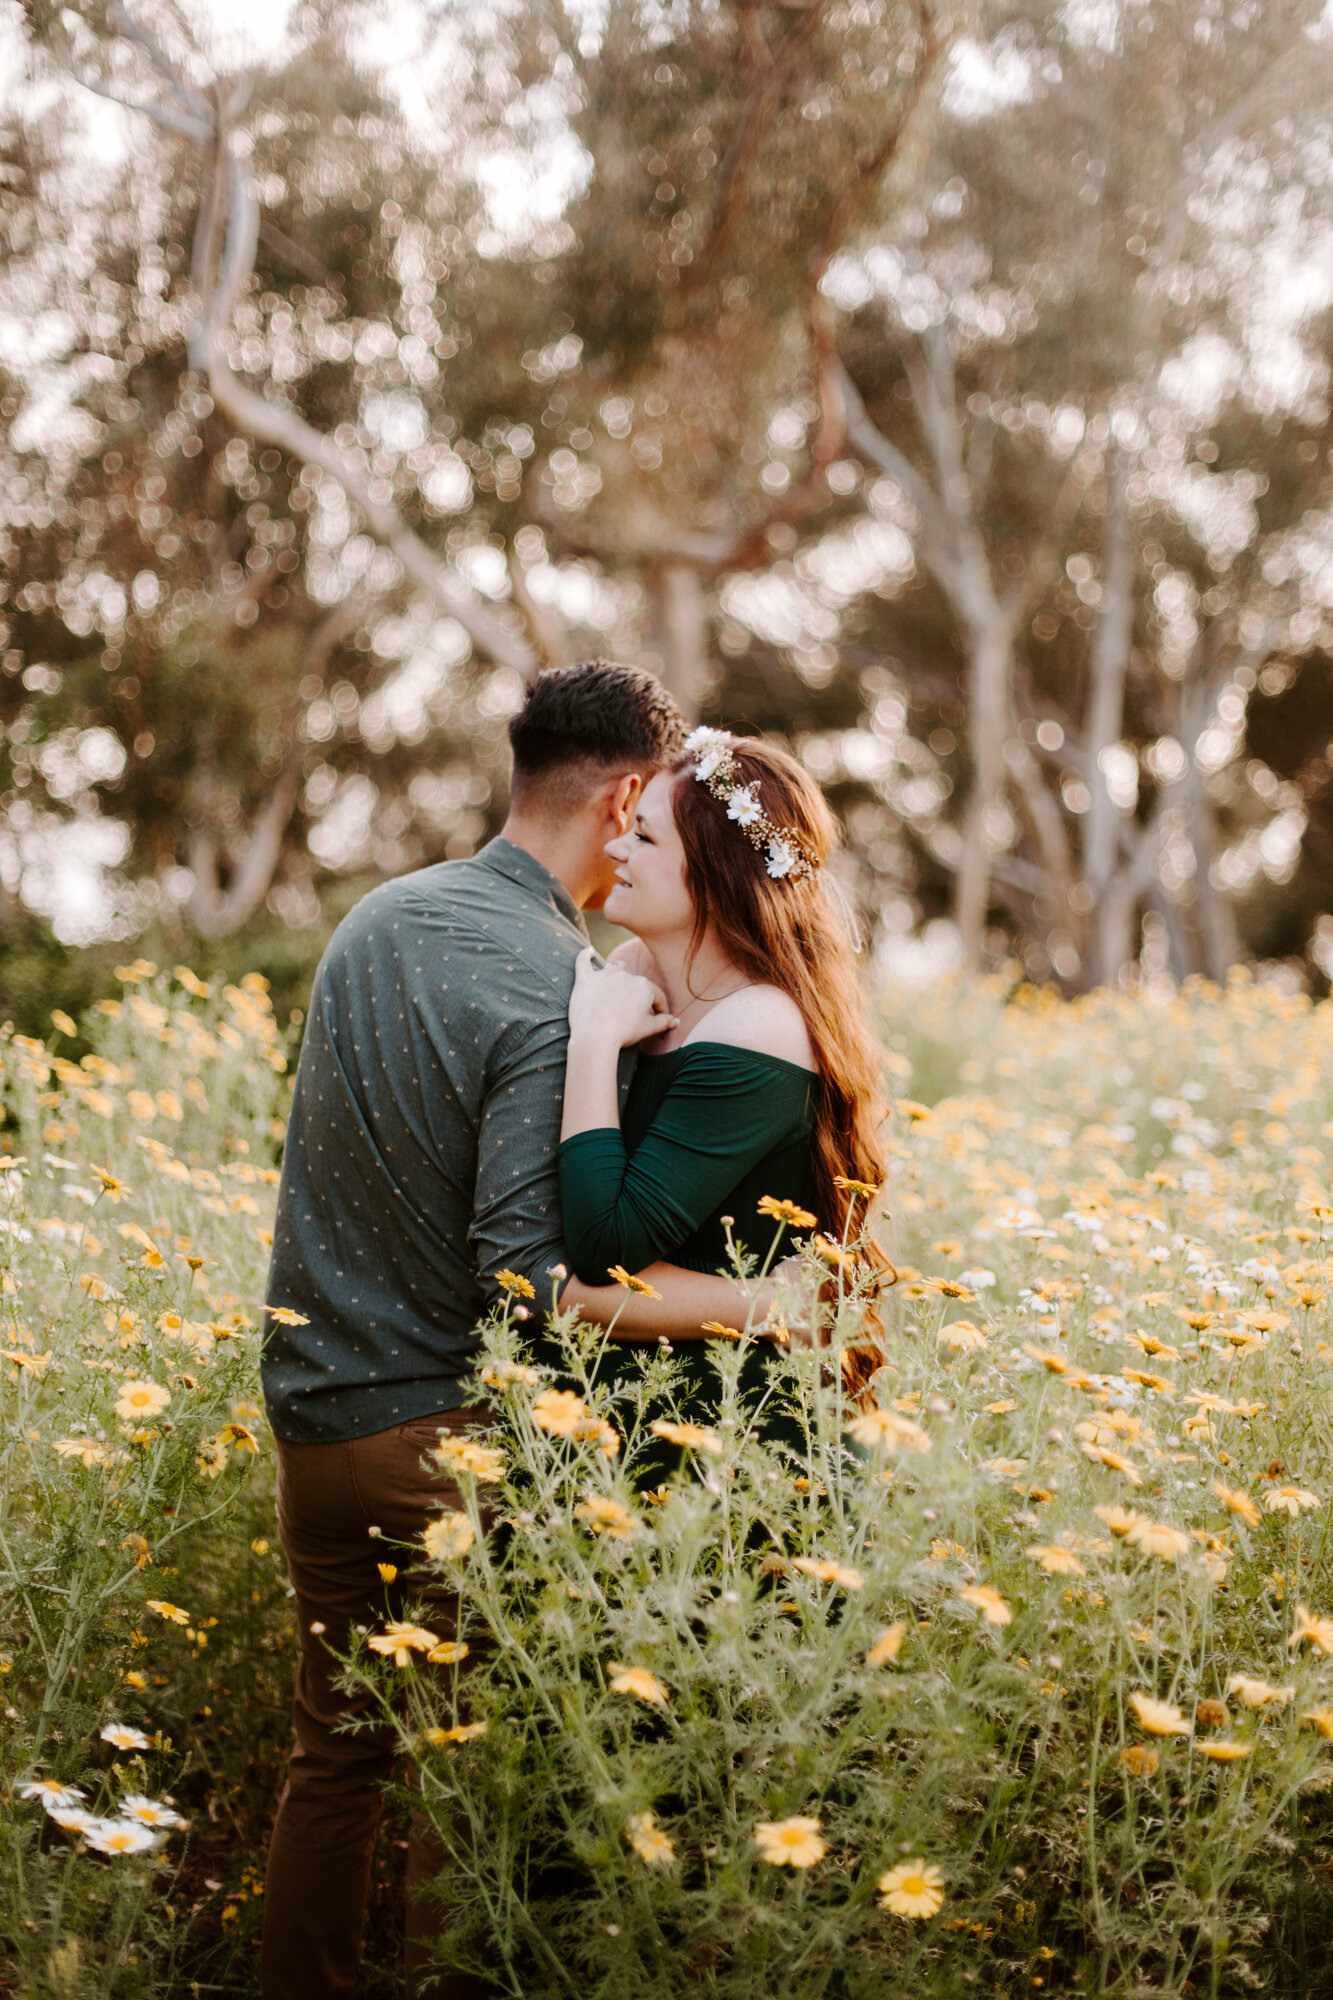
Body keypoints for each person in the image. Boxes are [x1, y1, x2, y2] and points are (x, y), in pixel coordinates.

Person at [259, 666, 783, 2000]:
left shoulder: (375, 920)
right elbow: (528, 1272)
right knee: (461, 1767)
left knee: (335, 1761)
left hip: (311, 1425)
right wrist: (753, 1304)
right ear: (621, 798)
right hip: (444, 1441)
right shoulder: (561, 982)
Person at [557, 728, 887, 1422]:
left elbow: (602, 1248)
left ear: (713, 875)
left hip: (735, 1429)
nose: (615, 846)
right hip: (621, 1411)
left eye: (644, 839)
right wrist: (764, 1302)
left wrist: (591, 1043)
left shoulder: (760, 1024)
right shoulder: (631, 973)